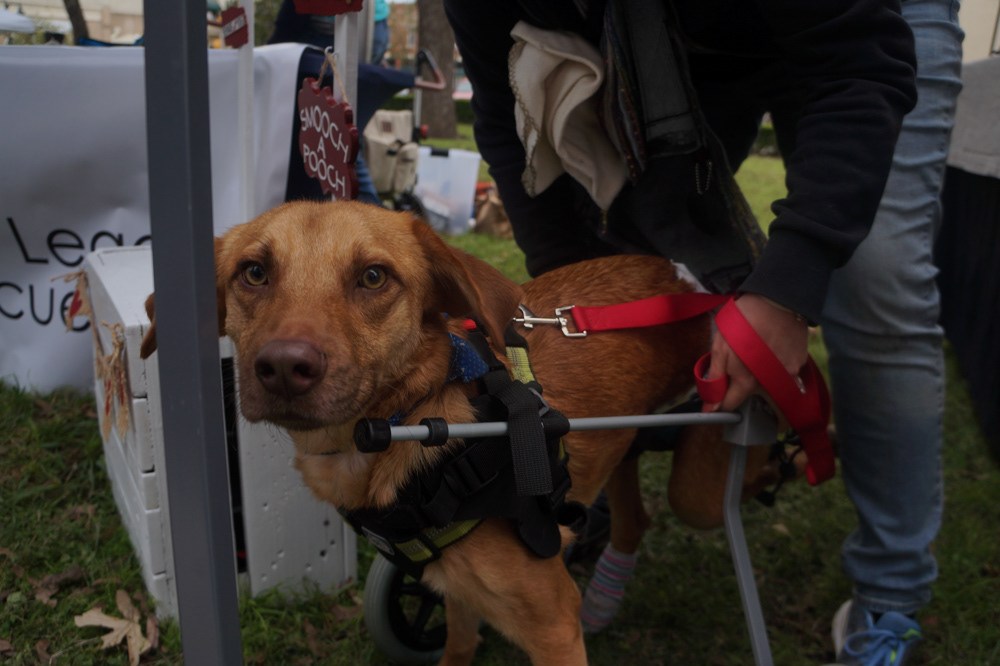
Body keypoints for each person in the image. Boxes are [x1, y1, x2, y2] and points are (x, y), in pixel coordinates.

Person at [443, 0, 962, 663]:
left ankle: (890, 594)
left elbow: (858, 64)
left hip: (858, 27)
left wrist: (788, 286)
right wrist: (575, 287)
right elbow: (501, 111)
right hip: (651, 37)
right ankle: (601, 511)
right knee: (626, 260)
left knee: (878, 275)